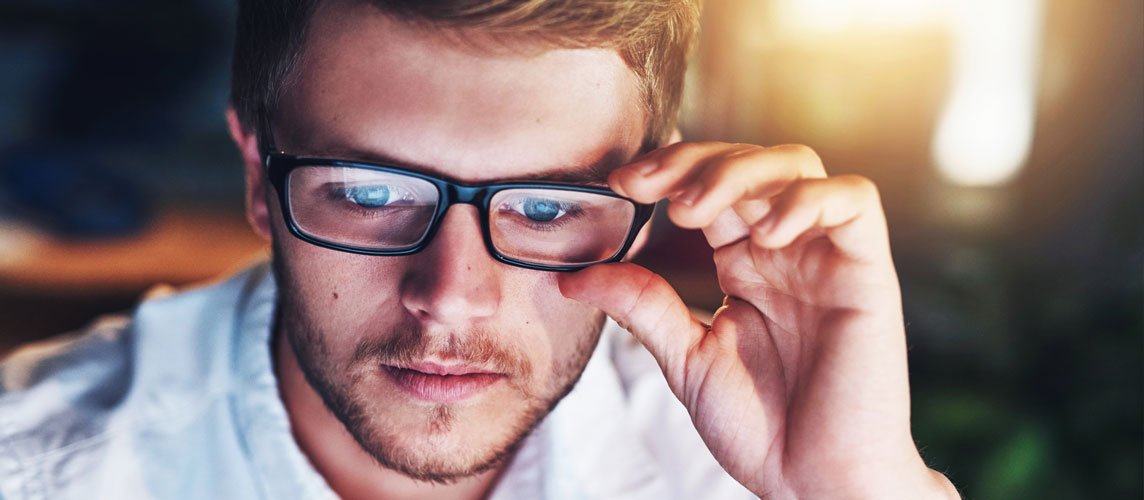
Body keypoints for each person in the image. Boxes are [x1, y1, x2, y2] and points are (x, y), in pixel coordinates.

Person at [0, 1, 961, 498]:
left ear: (660, 196)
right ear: (258, 174)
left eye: (546, 209)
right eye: (371, 192)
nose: (452, 297)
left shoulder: (748, 477)